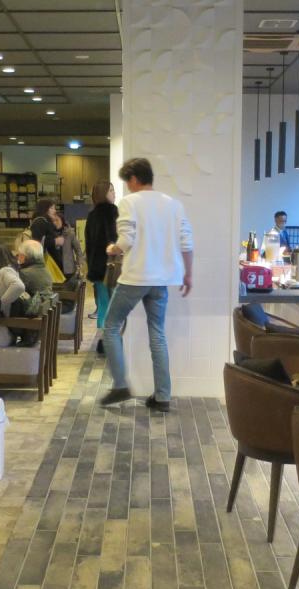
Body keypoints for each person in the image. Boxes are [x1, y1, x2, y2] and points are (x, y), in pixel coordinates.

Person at [100, 158, 193, 413]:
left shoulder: (129, 202)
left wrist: (112, 249)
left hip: (136, 277)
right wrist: (188, 275)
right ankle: (163, 396)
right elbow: (187, 242)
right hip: (161, 281)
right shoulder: (173, 204)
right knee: (157, 333)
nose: (127, 187)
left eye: (127, 181)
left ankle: (120, 385)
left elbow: (126, 240)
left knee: (111, 326)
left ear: (133, 178)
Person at [85, 181, 118, 334]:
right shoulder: (112, 211)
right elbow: (114, 239)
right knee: (114, 305)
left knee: (103, 303)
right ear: (103, 194)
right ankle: (110, 338)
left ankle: (102, 337)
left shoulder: (91, 215)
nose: (114, 193)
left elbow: (89, 244)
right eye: (111, 190)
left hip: (96, 267)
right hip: (111, 266)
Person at [29, 199, 64, 271]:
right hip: (44, 265)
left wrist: (58, 229)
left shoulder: (46, 222)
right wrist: (55, 241)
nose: (55, 211)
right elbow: (37, 243)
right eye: (52, 208)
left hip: (47, 264)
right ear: (44, 209)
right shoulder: (40, 222)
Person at [53, 211, 82, 280]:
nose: (55, 222)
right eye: (53, 221)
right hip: (54, 268)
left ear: (62, 221)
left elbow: (78, 249)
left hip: (68, 268)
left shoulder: (69, 233)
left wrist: (79, 264)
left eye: (57, 220)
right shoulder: (50, 234)